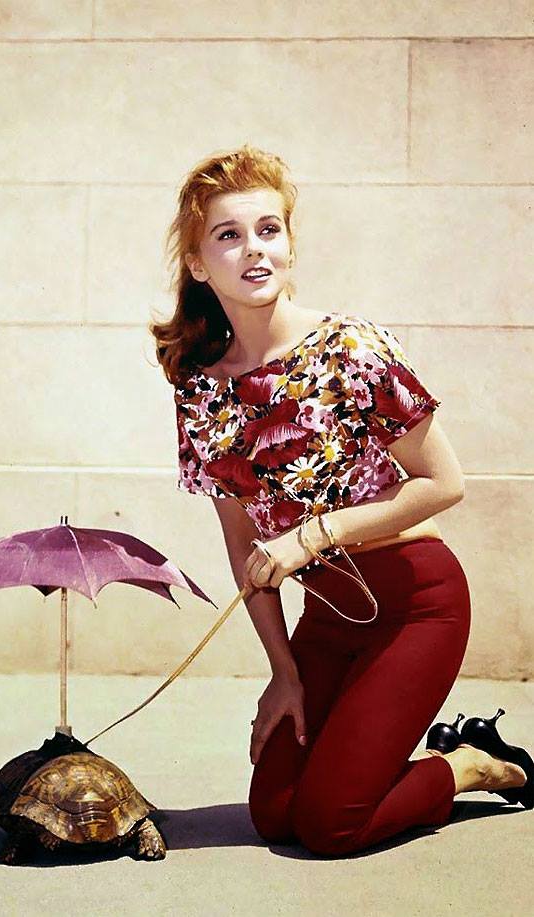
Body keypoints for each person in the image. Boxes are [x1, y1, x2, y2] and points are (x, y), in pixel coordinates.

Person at [150, 143, 531, 856]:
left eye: (269, 229)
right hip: (328, 617)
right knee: (275, 813)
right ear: (199, 264)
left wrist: (314, 534)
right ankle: (377, 754)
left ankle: (465, 764)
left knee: (331, 823)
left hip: (417, 604)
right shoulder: (199, 386)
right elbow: (241, 541)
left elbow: (443, 483)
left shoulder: (350, 348)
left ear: (290, 245)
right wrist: (283, 671)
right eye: (229, 235)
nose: (254, 248)